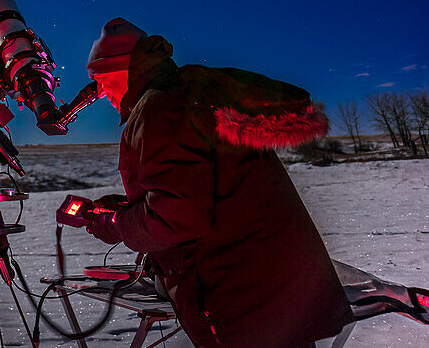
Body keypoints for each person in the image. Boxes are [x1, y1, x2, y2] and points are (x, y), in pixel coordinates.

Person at [81, 17, 352, 348]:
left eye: (100, 80)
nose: (100, 92)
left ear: (120, 69)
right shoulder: (189, 95)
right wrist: (132, 207)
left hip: (242, 300)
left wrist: (114, 224)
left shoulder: (159, 108)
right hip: (278, 289)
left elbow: (176, 219)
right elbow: (200, 191)